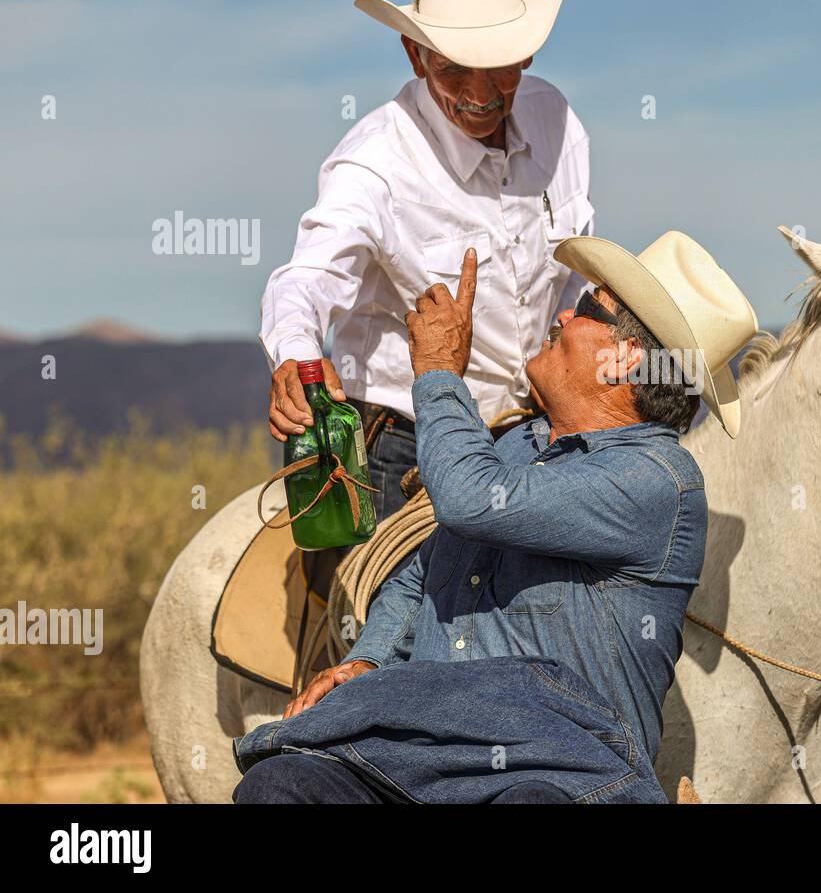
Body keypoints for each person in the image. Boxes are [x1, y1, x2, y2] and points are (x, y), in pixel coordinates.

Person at [233, 231, 758, 803]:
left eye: (585, 307)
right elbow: (417, 576)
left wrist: (438, 371)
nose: (562, 313)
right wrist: (368, 660)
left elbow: (468, 499)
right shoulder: (509, 448)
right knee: (280, 786)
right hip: (413, 755)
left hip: (555, 769)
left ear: (625, 358)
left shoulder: (657, 482)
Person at [260, 0, 591, 521]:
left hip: (536, 436)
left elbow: (574, 273)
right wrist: (295, 357)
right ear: (416, 57)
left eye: (499, 66)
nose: (480, 94)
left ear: (528, 55)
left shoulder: (558, 121)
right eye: (454, 68)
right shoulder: (375, 165)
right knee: (395, 609)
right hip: (404, 449)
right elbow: (306, 279)